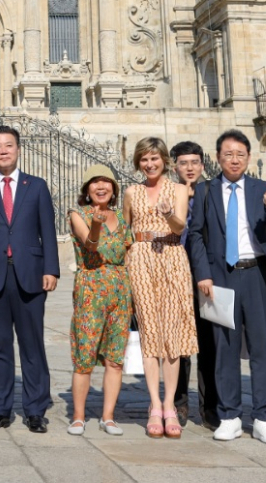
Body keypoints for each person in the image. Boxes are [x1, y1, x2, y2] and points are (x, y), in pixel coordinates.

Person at [187, 129, 266, 445]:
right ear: (217, 157)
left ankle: (263, 417)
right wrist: (202, 274)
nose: (234, 159)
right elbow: (196, 234)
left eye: (240, 155)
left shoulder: (262, 188)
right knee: (225, 349)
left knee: (261, 348)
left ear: (248, 158)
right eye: (228, 154)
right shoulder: (206, 190)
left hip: (256, 274)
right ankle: (229, 414)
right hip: (221, 277)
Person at [0, 125, 60, 434]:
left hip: (30, 273)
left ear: (18, 149)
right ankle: (0, 409)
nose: (3, 150)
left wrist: (52, 269)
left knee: (32, 344)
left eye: (8, 145)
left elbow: (47, 229)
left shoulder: (37, 186)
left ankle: (35, 409)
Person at [123, 138, 196, 439]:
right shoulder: (131, 191)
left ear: (164, 160)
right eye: (144, 160)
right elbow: (126, 229)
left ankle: (170, 405)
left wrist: (167, 215)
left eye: (154, 158)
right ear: (138, 163)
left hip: (172, 256)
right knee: (150, 333)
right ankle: (154, 405)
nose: (149, 164)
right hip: (141, 257)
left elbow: (179, 228)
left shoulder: (179, 190)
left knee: (172, 336)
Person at [67, 165, 131, 437]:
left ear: (114, 188)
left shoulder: (121, 216)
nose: (101, 187)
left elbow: (127, 252)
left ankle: (108, 416)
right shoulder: (77, 214)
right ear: (87, 189)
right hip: (91, 287)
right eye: (95, 182)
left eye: (106, 182)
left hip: (120, 289)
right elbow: (90, 245)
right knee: (85, 356)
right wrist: (95, 224)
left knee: (115, 359)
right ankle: (79, 417)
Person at [168, 140, 218, 430]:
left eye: (194, 162)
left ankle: (209, 405)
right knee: (179, 344)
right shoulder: (168, 192)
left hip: (206, 277)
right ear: (175, 166)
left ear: (202, 164)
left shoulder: (211, 193)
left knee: (209, 343)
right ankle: (179, 401)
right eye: (184, 163)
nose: (189, 167)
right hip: (176, 277)